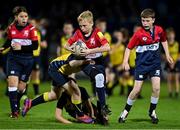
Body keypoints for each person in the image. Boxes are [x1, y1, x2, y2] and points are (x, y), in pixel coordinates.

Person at [118, 8, 173, 124]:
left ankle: (152, 112)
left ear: (153, 20)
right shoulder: (138, 34)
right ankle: (125, 112)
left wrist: (167, 55)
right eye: (143, 21)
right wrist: (125, 62)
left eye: (147, 21)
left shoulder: (159, 30)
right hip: (141, 66)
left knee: (156, 88)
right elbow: (128, 48)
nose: (145, 23)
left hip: (155, 64)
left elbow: (164, 40)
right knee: (136, 90)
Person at [64, 10, 111, 125]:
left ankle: (100, 113)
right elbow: (66, 45)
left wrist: (91, 50)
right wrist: (73, 49)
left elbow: (107, 47)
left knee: (101, 83)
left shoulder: (98, 33)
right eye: (80, 25)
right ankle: (103, 109)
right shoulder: (77, 33)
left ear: (91, 23)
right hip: (86, 62)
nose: (82, 28)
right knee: (99, 77)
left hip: (99, 62)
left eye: (84, 25)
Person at [21, 53, 94, 124]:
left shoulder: (85, 60)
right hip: (56, 70)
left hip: (60, 72)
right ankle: (80, 115)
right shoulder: (77, 58)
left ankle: (30, 103)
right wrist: (85, 61)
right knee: (75, 92)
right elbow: (72, 64)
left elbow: (72, 69)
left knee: (54, 96)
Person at [0, 6, 38, 118]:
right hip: (13, 59)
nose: (24, 18)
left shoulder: (32, 29)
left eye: (26, 16)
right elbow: (9, 41)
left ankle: (16, 103)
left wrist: (20, 47)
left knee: (21, 88)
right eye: (21, 16)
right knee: (12, 84)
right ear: (16, 17)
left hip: (28, 60)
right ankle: (14, 111)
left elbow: (35, 46)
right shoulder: (11, 28)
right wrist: (3, 47)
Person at [165, 27, 180, 98]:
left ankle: (177, 92)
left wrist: (174, 63)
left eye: (172, 34)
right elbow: (163, 54)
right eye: (169, 34)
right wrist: (169, 62)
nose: (170, 36)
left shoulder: (177, 44)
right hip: (168, 63)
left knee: (176, 78)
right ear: (167, 35)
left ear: (174, 35)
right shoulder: (166, 44)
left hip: (176, 63)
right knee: (169, 78)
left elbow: (179, 54)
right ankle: (170, 93)